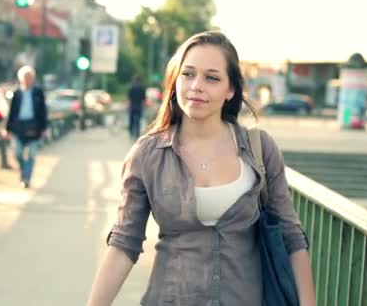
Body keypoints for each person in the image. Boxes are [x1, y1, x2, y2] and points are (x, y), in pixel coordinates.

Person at [87, 31, 316, 305]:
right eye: (188, 74)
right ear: (175, 80)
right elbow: (124, 243)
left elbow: (292, 236)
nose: (197, 86)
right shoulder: (147, 154)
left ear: (230, 89)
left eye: (212, 78)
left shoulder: (260, 149)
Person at [2, 65, 48, 188]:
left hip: (34, 127)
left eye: (30, 77)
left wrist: (44, 128)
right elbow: (11, 112)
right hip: (18, 127)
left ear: (33, 78)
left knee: (32, 154)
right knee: (17, 153)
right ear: (21, 79)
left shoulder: (38, 92)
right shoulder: (16, 93)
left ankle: (26, 178)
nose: (28, 80)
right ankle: (24, 172)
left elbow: (43, 111)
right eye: (25, 77)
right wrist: (7, 129)